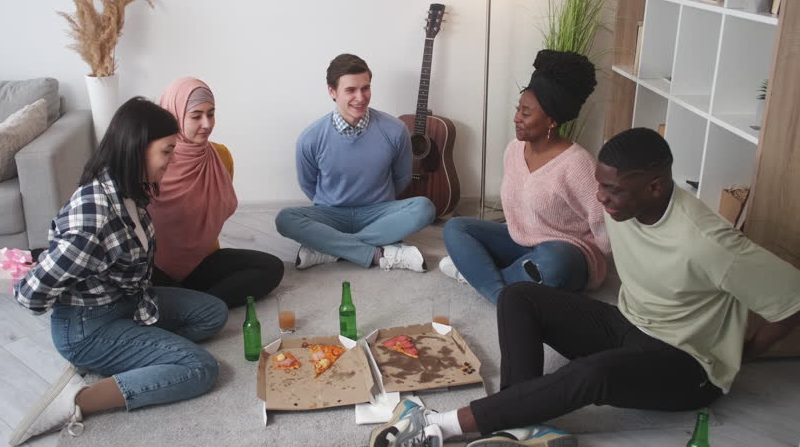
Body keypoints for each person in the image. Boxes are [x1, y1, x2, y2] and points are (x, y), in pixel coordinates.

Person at [369, 128, 800, 447]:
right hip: (629, 327)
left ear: (654, 186)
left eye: (612, 190)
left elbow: (792, 296)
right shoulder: (618, 204)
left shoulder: (708, 242)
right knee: (519, 297)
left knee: (590, 375)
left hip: (687, 368)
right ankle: (516, 426)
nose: (601, 198)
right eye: (599, 183)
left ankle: (438, 427)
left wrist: (741, 355)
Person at [9, 97, 229, 446]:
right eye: (167, 152)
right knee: (200, 369)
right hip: (87, 327)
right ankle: (76, 399)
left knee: (212, 313)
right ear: (137, 149)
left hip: (127, 302)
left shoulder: (128, 190)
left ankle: (142, 354)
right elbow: (30, 293)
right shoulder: (94, 214)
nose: (171, 162)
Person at [440, 50, 610, 304]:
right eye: (518, 109)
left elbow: (603, 223)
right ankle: (503, 294)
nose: (516, 118)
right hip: (520, 240)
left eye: (526, 113)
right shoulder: (514, 149)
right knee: (456, 228)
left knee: (554, 263)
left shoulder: (578, 164)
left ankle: (483, 278)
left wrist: (610, 265)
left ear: (551, 121)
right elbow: (516, 215)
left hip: (565, 252)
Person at [275, 54, 435, 272]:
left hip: (379, 212)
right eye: (350, 90)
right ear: (332, 91)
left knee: (424, 208)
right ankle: (379, 251)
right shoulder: (311, 137)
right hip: (331, 215)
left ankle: (330, 247)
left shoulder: (395, 130)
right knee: (285, 219)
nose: (360, 97)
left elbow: (402, 178)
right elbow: (308, 184)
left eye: (365, 88)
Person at [148, 77, 283, 308]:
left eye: (211, 114)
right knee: (140, 296)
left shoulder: (220, 157)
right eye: (196, 116)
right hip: (155, 268)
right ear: (174, 114)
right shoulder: (152, 160)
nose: (207, 124)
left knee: (271, 267)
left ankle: (200, 305)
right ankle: (198, 305)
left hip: (202, 261)